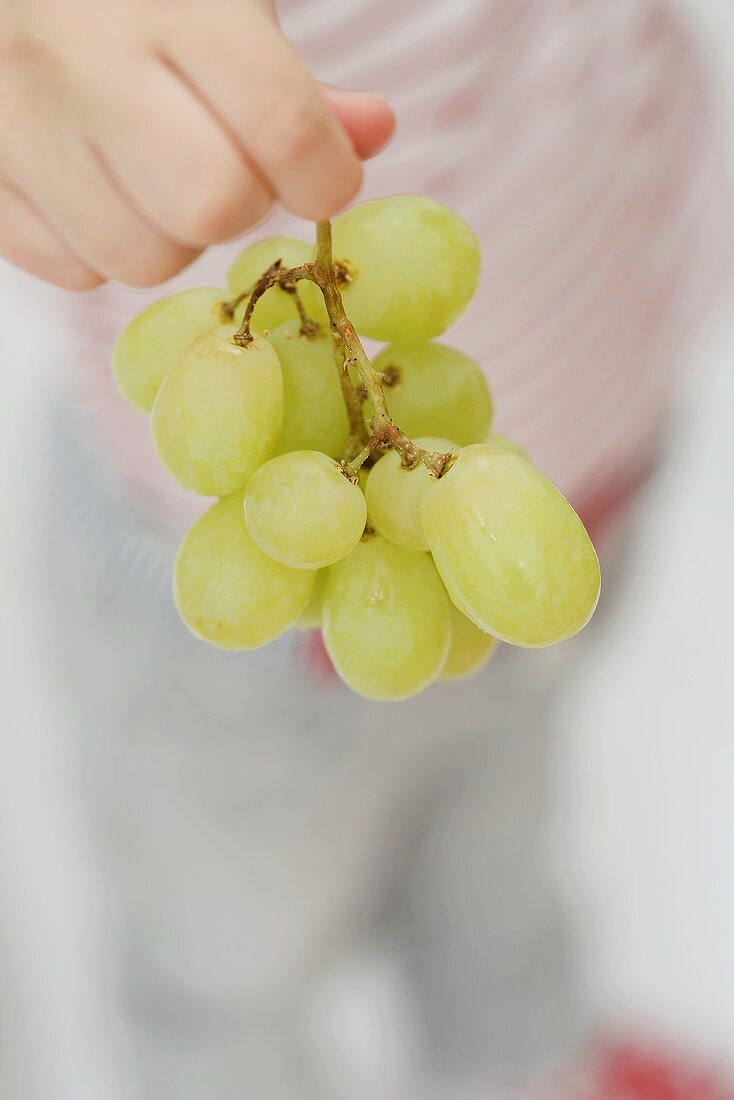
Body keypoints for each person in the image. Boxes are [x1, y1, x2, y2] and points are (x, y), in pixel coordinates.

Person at [1, 1, 729, 1098]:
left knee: (493, 834)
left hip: (563, 476)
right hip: (253, 637)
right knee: (229, 960)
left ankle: (523, 1056)